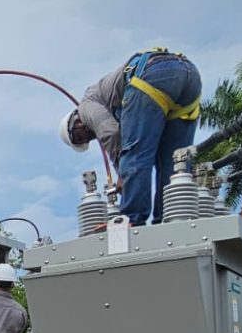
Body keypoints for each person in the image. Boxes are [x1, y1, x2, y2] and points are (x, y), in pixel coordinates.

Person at [60, 49, 202, 226]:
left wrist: (122, 174)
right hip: (190, 78)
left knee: (134, 154)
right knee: (175, 163)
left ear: (75, 123)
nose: (88, 139)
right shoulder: (103, 106)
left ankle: (131, 220)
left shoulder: (86, 106)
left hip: (153, 76)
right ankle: (171, 219)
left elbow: (110, 132)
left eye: (79, 138)